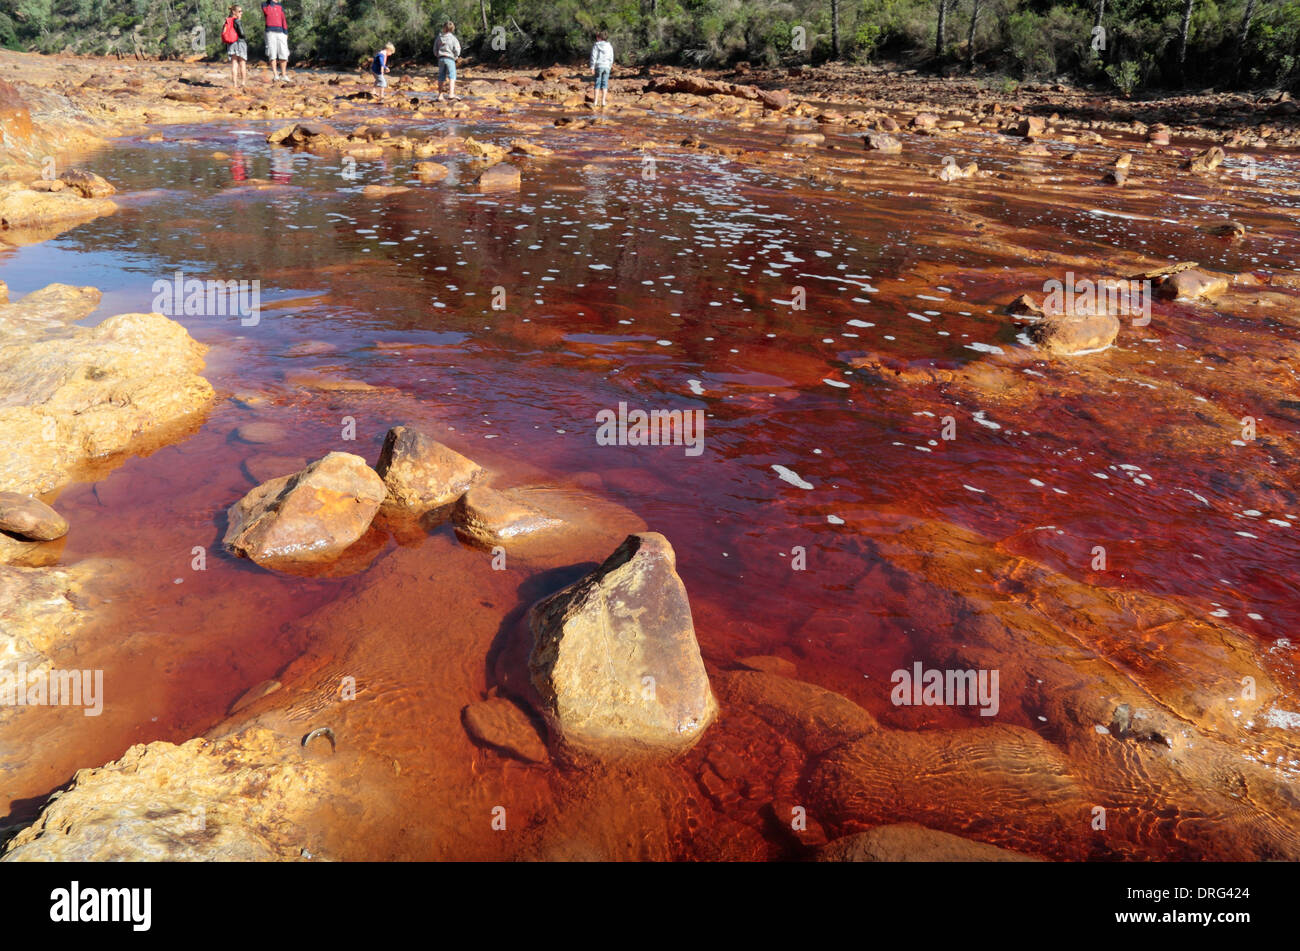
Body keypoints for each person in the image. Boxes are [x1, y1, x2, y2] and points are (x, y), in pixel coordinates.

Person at [262, 0, 291, 83]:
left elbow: (283, 19)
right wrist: (271, 2)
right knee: (272, 54)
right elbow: (267, 12)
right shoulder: (265, 5)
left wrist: (286, 32)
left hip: (281, 32)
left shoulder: (280, 6)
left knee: (284, 53)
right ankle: (275, 75)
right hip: (270, 32)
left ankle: (284, 75)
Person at [435, 22, 461, 101]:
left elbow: (435, 49)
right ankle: (451, 94)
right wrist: (456, 56)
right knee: (452, 76)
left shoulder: (439, 38)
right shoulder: (453, 38)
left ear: (444, 28)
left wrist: (437, 55)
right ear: (452, 29)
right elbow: (457, 49)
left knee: (441, 76)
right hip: (450, 58)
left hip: (441, 58)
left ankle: (440, 95)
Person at [223, 5, 247, 88]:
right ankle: (243, 83)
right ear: (234, 12)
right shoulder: (237, 21)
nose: (241, 13)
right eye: (240, 11)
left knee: (234, 64)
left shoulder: (227, 21)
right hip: (240, 43)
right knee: (242, 63)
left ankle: (235, 84)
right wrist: (245, 37)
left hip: (231, 44)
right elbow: (242, 33)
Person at [590, 31, 614, 109]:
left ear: (599, 37)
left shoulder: (596, 45)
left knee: (597, 83)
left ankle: (595, 101)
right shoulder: (609, 46)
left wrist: (592, 67)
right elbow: (611, 57)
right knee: (605, 83)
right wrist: (610, 66)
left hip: (599, 66)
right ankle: (603, 101)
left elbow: (594, 56)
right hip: (607, 66)